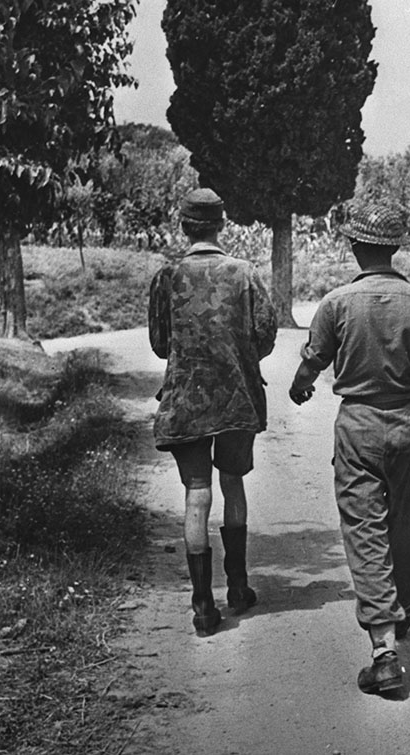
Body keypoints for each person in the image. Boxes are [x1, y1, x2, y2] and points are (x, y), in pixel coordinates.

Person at [288, 203, 410, 695]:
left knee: (364, 529)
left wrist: (300, 387)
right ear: (396, 248)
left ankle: (384, 653)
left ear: (354, 246)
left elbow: (313, 363)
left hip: (359, 426)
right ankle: (406, 602)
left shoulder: (336, 304)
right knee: (408, 518)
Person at [149, 188, 277, 637]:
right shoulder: (244, 273)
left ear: (184, 225)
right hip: (237, 399)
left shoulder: (167, 276)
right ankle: (238, 587)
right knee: (233, 483)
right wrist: (239, 356)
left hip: (185, 401)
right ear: (222, 224)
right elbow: (266, 334)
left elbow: (160, 344)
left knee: (196, 493)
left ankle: (202, 606)